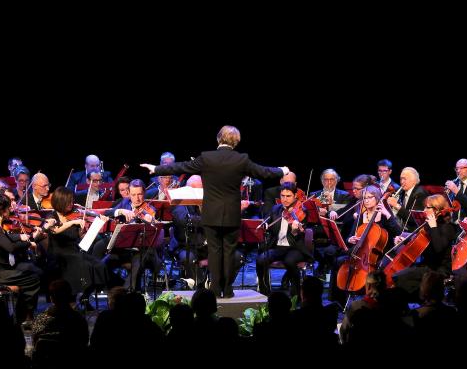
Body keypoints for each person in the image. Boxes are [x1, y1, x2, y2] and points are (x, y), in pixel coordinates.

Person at [141, 125, 289, 299]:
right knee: (229, 251)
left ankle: (215, 289)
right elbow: (263, 171)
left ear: (219, 139)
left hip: (210, 215)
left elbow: (182, 167)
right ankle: (227, 290)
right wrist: (282, 171)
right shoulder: (241, 159)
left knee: (214, 251)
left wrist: (157, 169)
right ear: (236, 141)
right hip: (232, 215)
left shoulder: (207, 157)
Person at [0, 193, 42, 321]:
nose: (10, 210)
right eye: (8, 208)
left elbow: (9, 238)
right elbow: (11, 247)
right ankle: (24, 316)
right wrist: (29, 243)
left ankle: (22, 316)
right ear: (3, 211)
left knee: (31, 275)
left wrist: (26, 237)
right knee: (32, 279)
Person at [48, 186, 110, 306]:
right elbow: (55, 230)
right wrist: (73, 222)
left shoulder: (74, 214)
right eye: (68, 201)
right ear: (60, 202)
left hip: (75, 251)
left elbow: (81, 239)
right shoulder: (52, 217)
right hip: (60, 252)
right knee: (83, 264)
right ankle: (75, 297)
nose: (72, 204)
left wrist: (94, 228)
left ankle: (85, 296)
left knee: (99, 265)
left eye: (72, 200)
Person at [389, 194, 456, 302]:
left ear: (437, 209)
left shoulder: (448, 227)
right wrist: (405, 241)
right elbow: (422, 246)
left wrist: (433, 227)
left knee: (400, 278)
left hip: (439, 269)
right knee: (398, 277)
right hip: (427, 265)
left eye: (427, 207)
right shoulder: (429, 225)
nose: (424, 210)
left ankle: (421, 302)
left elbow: (438, 249)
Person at [256, 182, 311, 297]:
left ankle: (296, 294)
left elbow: (298, 236)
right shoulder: (276, 209)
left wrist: (295, 230)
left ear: (295, 195)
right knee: (261, 260)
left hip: (295, 248)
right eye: (282, 196)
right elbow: (267, 221)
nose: (285, 199)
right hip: (278, 247)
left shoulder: (303, 211)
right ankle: (264, 291)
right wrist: (265, 226)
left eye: (288, 196)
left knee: (289, 261)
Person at [387, 167, 428, 232]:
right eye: (401, 179)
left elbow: (414, 218)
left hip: (413, 232)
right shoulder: (402, 192)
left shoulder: (420, 194)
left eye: (404, 179)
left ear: (413, 180)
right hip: (401, 229)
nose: (402, 182)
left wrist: (396, 205)